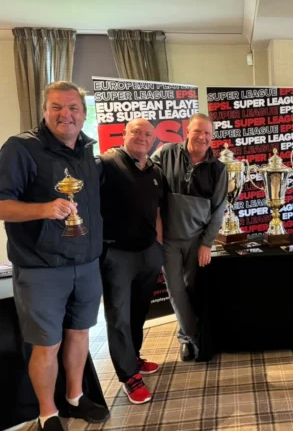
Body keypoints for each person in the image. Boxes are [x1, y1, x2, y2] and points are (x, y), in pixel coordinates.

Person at [0, 81, 109, 431]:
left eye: (73, 107)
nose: (66, 114)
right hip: (41, 268)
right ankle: (47, 412)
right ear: (44, 111)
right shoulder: (21, 148)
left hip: (86, 263)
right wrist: (44, 209)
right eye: (57, 107)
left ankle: (75, 397)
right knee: (47, 344)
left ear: (84, 113)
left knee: (80, 334)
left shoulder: (87, 151)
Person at [97, 118, 166, 404]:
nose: (142, 137)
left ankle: (134, 357)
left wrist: (158, 248)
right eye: (136, 132)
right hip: (117, 254)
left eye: (148, 134)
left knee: (139, 311)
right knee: (119, 316)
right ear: (124, 134)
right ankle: (129, 376)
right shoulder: (106, 164)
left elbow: (157, 211)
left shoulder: (155, 171)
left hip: (148, 252)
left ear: (154, 140)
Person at [151, 113, 227, 361]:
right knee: (175, 291)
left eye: (207, 133)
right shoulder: (166, 154)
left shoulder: (218, 169)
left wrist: (206, 243)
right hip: (169, 240)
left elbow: (218, 210)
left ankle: (187, 336)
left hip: (197, 241)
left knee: (193, 289)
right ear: (187, 131)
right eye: (197, 131)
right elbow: (143, 173)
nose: (202, 137)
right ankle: (194, 339)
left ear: (212, 137)